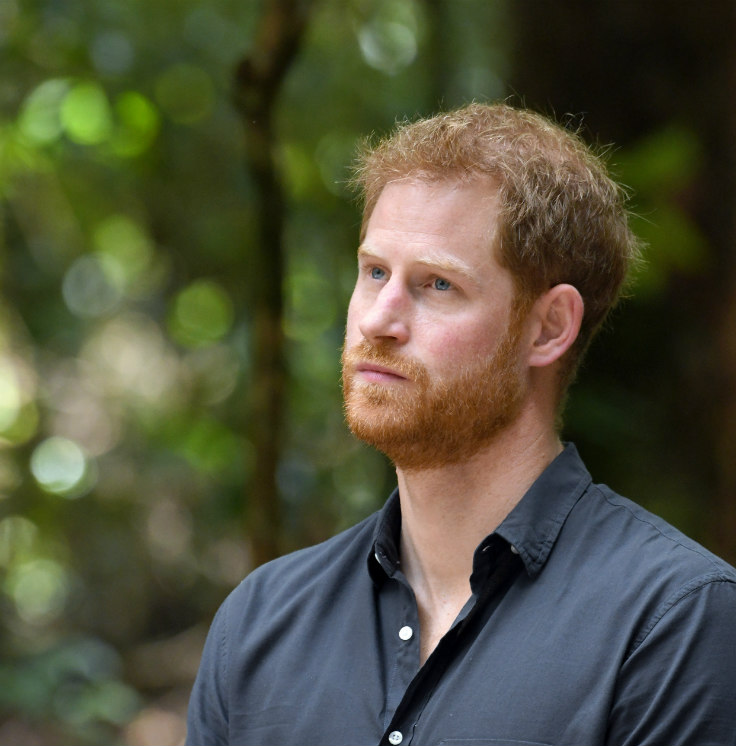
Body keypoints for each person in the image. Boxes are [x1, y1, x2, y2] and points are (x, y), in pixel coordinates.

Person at [184, 102, 736, 746]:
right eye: (375, 272)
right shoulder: (260, 624)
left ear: (549, 327)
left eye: (438, 285)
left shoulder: (675, 622)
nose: (377, 320)